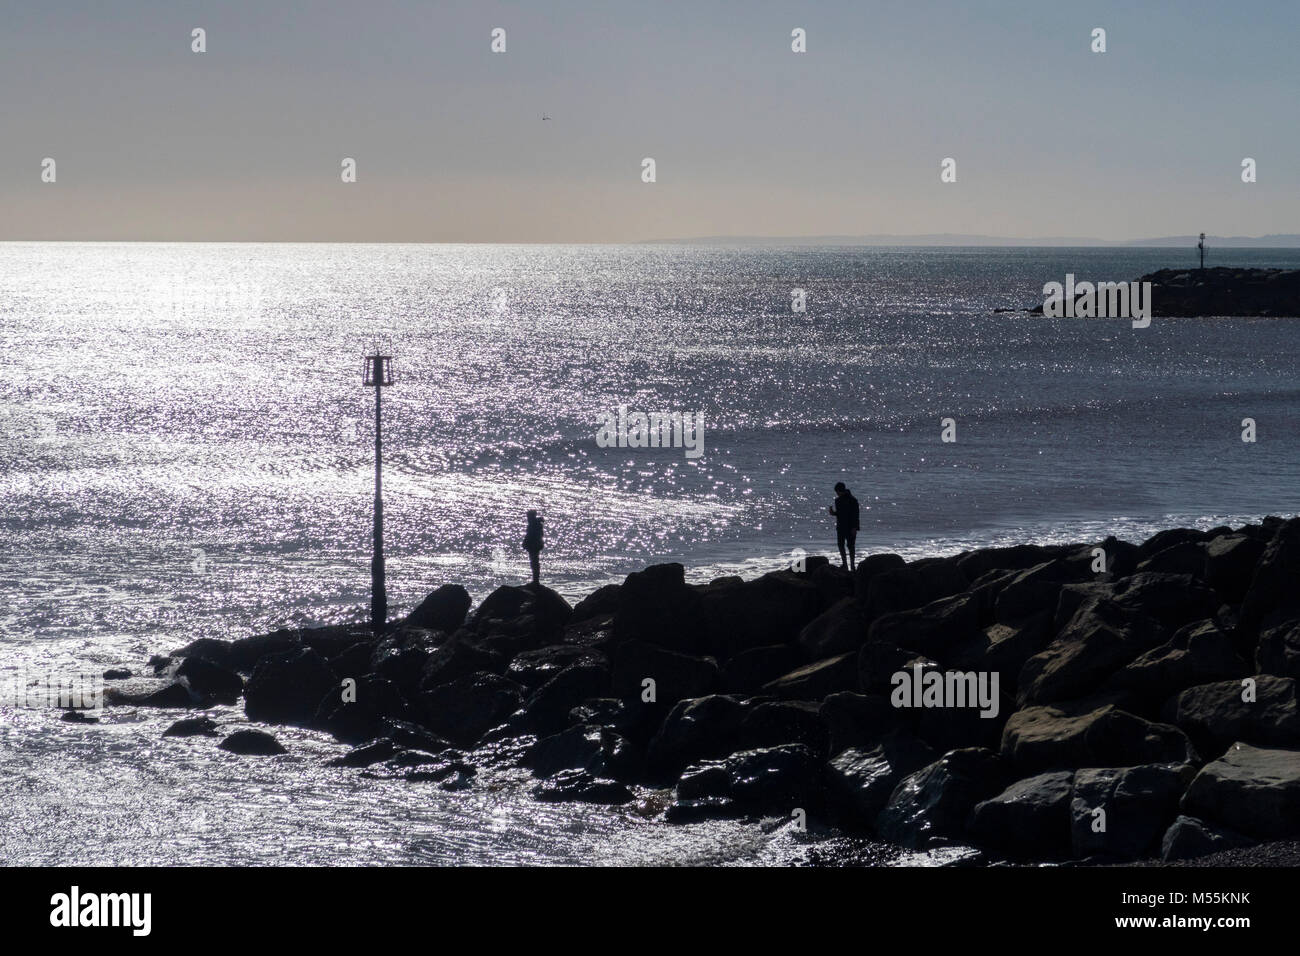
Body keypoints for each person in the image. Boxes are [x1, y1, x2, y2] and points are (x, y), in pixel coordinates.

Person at [828, 482, 860, 571]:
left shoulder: (853, 500)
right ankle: (845, 565)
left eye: (838, 492)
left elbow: (856, 515)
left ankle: (852, 566)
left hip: (850, 527)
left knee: (851, 546)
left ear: (842, 490)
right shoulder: (838, 500)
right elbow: (840, 514)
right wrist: (833, 513)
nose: (837, 494)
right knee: (841, 545)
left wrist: (855, 527)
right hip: (841, 527)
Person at [522, 510, 544, 585]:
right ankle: (535, 580)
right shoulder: (536, 524)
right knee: (534, 562)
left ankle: (536, 580)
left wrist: (525, 543)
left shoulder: (534, 525)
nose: (527, 518)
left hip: (534, 546)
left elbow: (530, 536)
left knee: (534, 563)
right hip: (535, 545)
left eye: (528, 516)